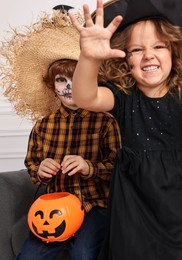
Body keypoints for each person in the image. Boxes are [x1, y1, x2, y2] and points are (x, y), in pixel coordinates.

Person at [68, 0, 182, 259]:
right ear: (125, 59)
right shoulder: (122, 95)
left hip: (180, 195)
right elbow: (85, 98)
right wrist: (88, 58)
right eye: (136, 49)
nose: (148, 55)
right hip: (132, 195)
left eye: (159, 46)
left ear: (175, 53)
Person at [0, 9, 122, 260]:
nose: (69, 87)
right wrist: (40, 168)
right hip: (55, 208)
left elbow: (117, 167)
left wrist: (89, 167)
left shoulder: (105, 122)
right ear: (51, 85)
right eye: (61, 80)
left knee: (83, 254)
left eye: (75, 78)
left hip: (94, 205)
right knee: (29, 256)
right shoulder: (43, 126)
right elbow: (32, 166)